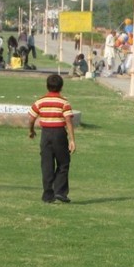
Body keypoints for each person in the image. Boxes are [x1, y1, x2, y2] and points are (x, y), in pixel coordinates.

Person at [27, 74, 76, 203]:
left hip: (46, 134)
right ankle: (60, 191)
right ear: (61, 87)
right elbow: (68, 121)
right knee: (63, 162)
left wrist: (31, 131)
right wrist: (72, 140)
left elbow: (31, 119)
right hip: (59, 133)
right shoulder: (64, 102)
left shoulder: (40, 101)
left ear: (47, 86)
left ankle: (48, 195)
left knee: (47, 164)